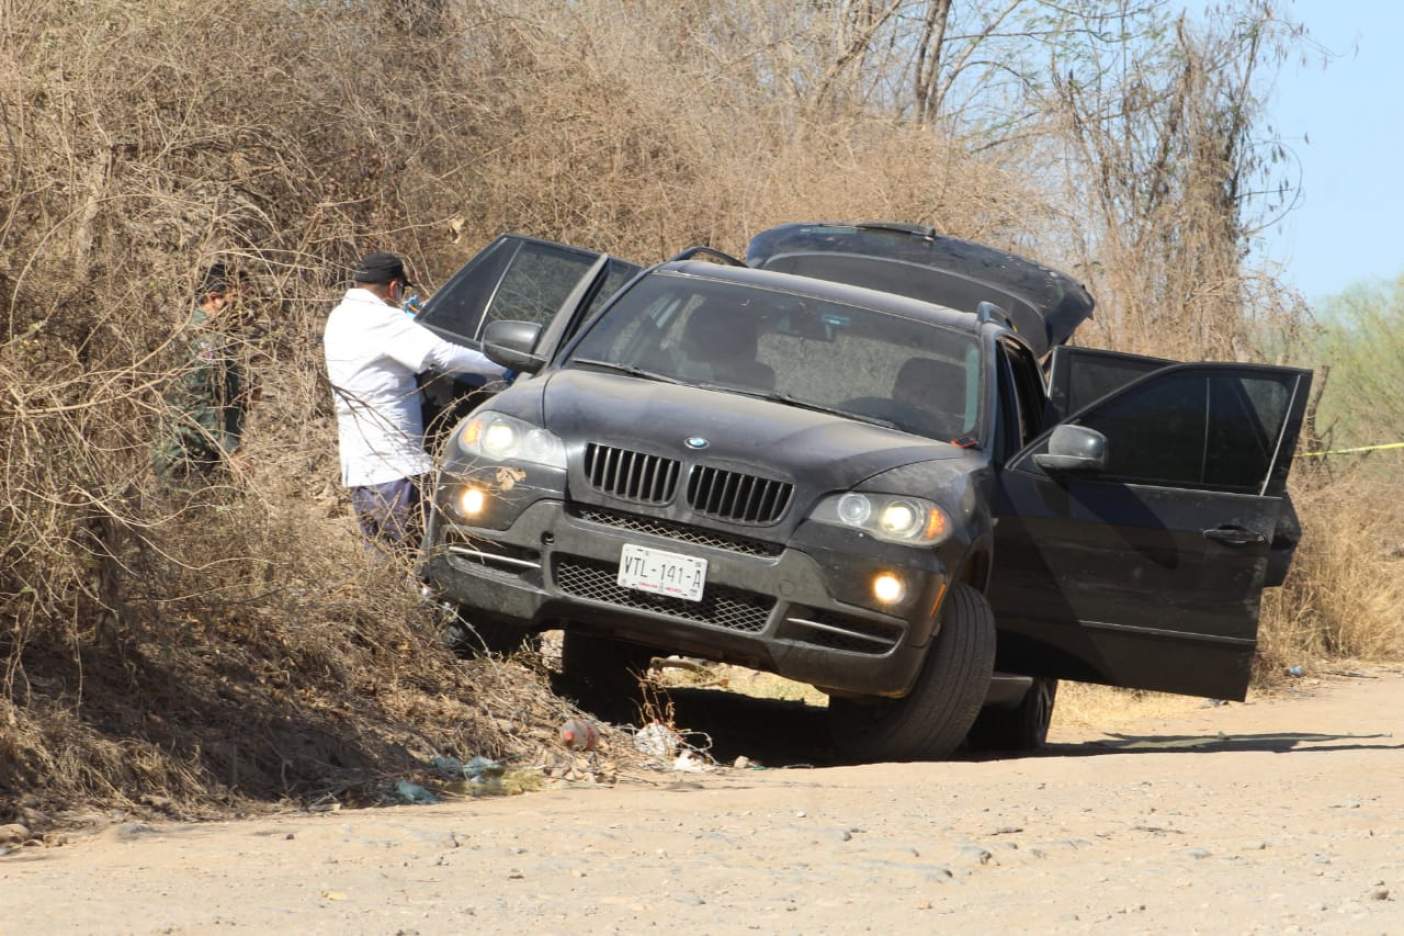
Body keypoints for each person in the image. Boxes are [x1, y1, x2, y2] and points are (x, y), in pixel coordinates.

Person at [324, 250, 504, 549]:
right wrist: (505, 365)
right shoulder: (383, 319)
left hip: (359, 469)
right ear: (394, 288)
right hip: (395, 468)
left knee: (383, 565)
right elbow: (443, 355)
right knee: (416, 557)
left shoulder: (339, 316)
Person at [154, 263, 246, 482]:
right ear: (215, 298)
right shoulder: (202, 339)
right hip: (185, 458)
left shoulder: (216, 336)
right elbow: (194, 404)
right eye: (237, 300)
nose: (244, 309)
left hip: (204, 455)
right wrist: (231, 449)